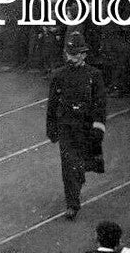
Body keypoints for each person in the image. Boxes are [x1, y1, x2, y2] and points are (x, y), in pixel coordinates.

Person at [46, 31, 107, 220]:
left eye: (77, 54)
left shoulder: (94, 75)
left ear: (84, 55)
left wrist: (98, 127)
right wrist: (51, 128)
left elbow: (100, 103)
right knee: (69, 165)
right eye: (70, 54)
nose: (73, 58)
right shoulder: (58, 75)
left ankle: (78, 179)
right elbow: (52, 103)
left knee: (80, 164)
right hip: (66, 126)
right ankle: (72, 203)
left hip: (86, 127)